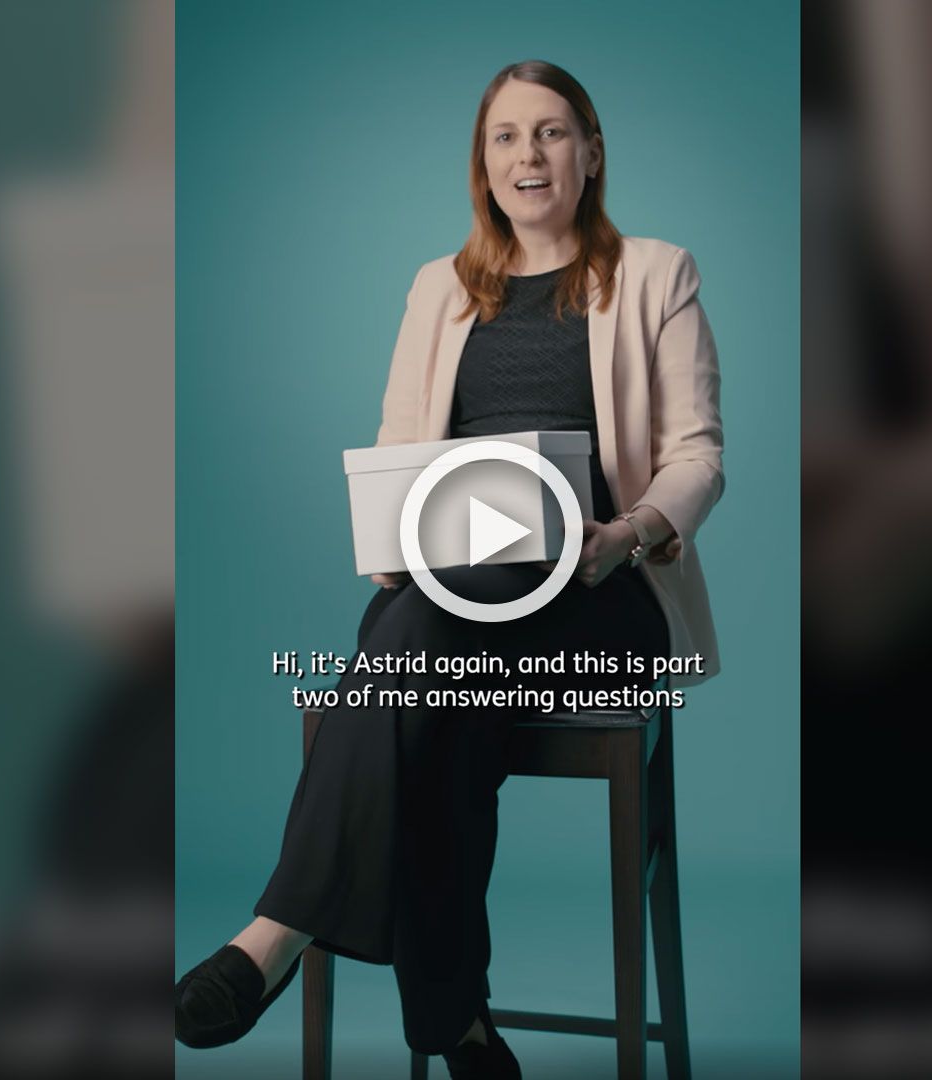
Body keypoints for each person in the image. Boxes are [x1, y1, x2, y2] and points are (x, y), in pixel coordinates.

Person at [175, 59, 724, 1078]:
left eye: (551, 131)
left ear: (592, 152)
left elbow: (698, 456)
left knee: (411, 657)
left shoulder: (658, 271)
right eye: (506, 136)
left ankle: (277, 932)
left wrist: (629, 531)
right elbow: (399, 442)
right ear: (484, 161)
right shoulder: (440, 287)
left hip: (600, 593)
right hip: (455, 594)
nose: (529, 154)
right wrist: (391, 542)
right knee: (434, 683)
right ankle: (458, 1029)